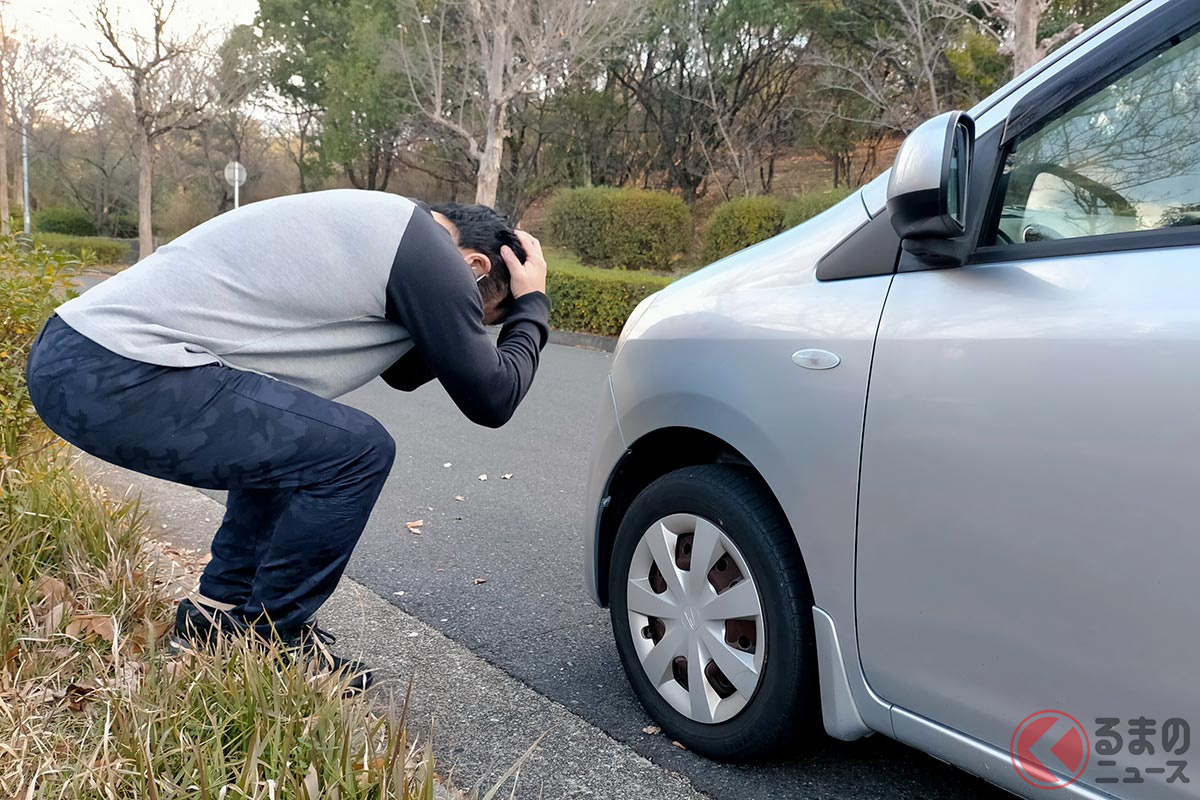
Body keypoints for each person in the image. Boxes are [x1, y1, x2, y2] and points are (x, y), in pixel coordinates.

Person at [24, 191, 551, 692]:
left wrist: (480, 319)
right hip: (117, 371)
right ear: (476, 267)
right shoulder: (432, 255)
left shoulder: (392, 231)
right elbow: (492, 399)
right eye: (482, 316)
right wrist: (532, 306)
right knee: (358, 452)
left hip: (80, 359)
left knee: (300, 436)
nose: (470, 325)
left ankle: (217, 617)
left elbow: (408, 373)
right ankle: (273, 641)